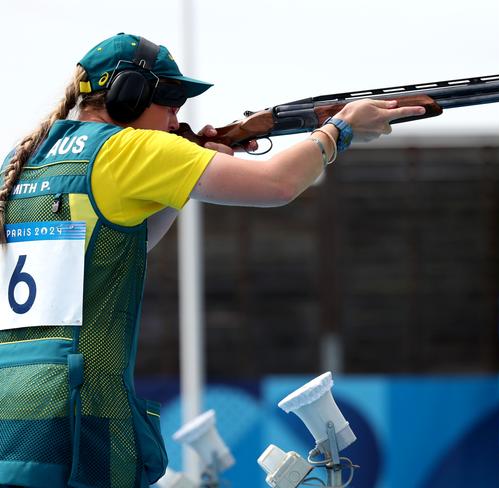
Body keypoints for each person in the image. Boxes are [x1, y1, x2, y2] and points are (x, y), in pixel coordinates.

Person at [0, 33, 429, 488]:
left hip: (15, 416)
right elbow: (276, 185)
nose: (175, 117)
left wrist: (187, 175)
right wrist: (337, 132)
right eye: (170, 100)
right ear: (130, 95)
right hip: (82, 422)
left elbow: (119, 244)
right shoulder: (125, 149)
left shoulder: (23, 162)